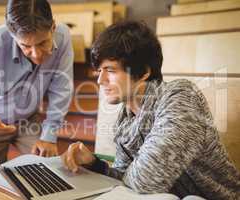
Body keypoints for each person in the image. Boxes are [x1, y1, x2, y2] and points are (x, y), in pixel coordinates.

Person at [61, 21, 240, 199]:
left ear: (143, 72)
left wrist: (127, 176)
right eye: (100, 70)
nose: (100, 80)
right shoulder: (125, 121)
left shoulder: (182, 96)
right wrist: (95, 165)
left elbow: (145, 182)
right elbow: (125, 180)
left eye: (110, 70)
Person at [0, 0, 73, 199]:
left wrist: (49, 135)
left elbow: (61, 88)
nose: (36, 55)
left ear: (53, 26)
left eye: (43, 43)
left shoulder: (63, 36)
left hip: (29, 119)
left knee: (47, 174)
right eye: (26, 45)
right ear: (11, 33)